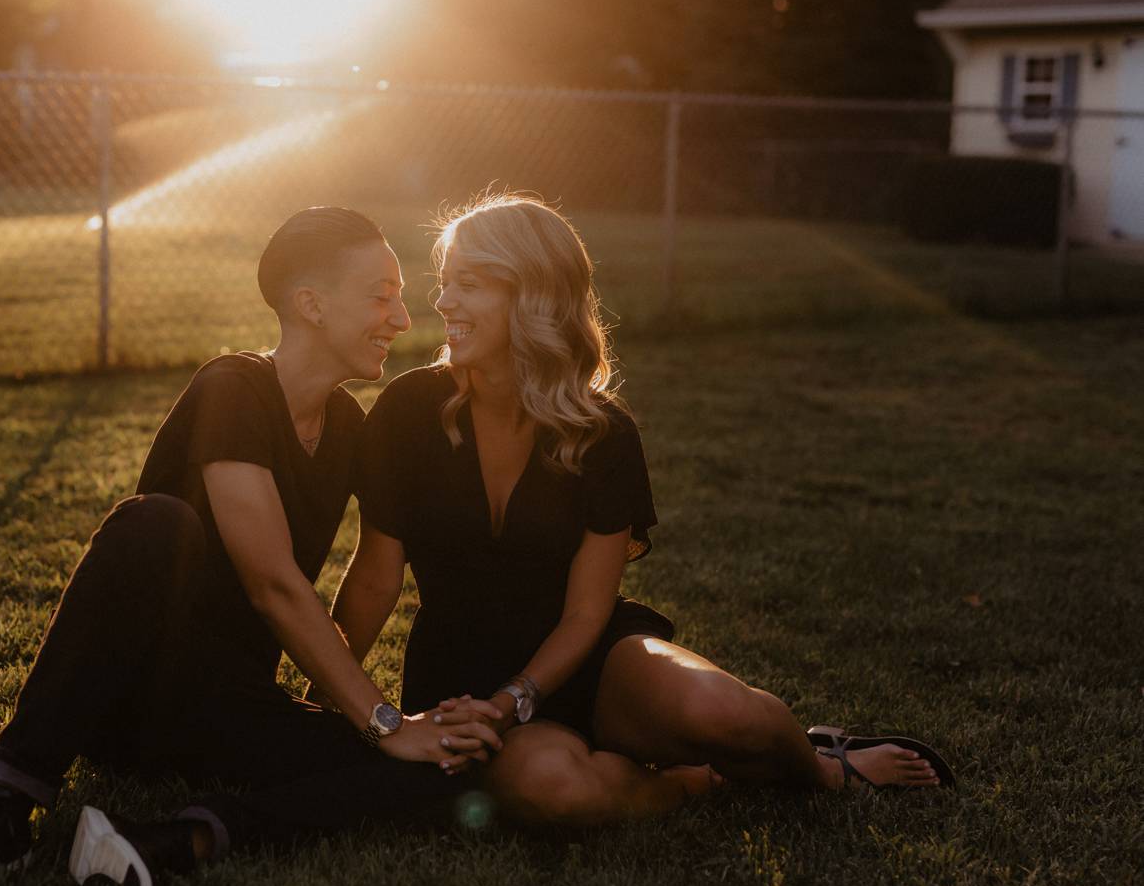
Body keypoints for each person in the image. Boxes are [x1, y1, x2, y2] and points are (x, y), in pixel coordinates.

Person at [0, 207, 502, 886]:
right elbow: (272, 582)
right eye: (381, 295)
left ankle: (184, 834)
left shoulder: (349, 428)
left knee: (450, 772)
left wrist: (354, 723)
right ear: (310, 305)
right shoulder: (233, 387)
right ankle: (0, 807)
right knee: (154, 523)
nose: (402, 319)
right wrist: (382, 720)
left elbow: (373, 574)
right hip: (129, 698)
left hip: (223, 711)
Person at [333, 192, 955, 826]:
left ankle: (825, 768)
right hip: (462, 680)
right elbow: (375, 578)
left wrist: (520, 695)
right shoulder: (409, 411)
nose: (442, 304)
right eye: (445, 283)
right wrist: (324, 706)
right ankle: (691, 782)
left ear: (533, 296)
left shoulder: (601, 432)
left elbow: (586, 611)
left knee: (724, 713)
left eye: (467, 284)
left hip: (591, 662)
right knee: (554, 791)